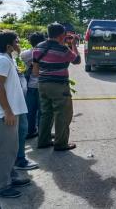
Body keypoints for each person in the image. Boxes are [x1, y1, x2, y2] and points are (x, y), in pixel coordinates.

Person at [0, 30, 31, 198]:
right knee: (5, 151)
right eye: (16, 42)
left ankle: (9, 177)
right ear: (8, 46)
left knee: (11, 148)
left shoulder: (5, 58)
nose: (18, 44)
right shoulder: (2, 61)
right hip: (2, 114)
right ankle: (2, 186)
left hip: (6, 112)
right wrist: (8, 111)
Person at [35, 23, 79, 151]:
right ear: (61, 35)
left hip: (42, 84)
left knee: (46, 113)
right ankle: (61, 144)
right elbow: (77, 60)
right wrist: (74, 45)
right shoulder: (63, 49)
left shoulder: (38, 47)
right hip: (59, 86)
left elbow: (35, 69)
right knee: (63, 114)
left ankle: (43, 140)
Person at [20, 32, 46, 139]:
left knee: (30, 110)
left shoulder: (25, 54)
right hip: (43, 85)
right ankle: (43, 132)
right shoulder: (46, 53)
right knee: (43, 111)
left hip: (30, 85)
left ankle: (29, 131)